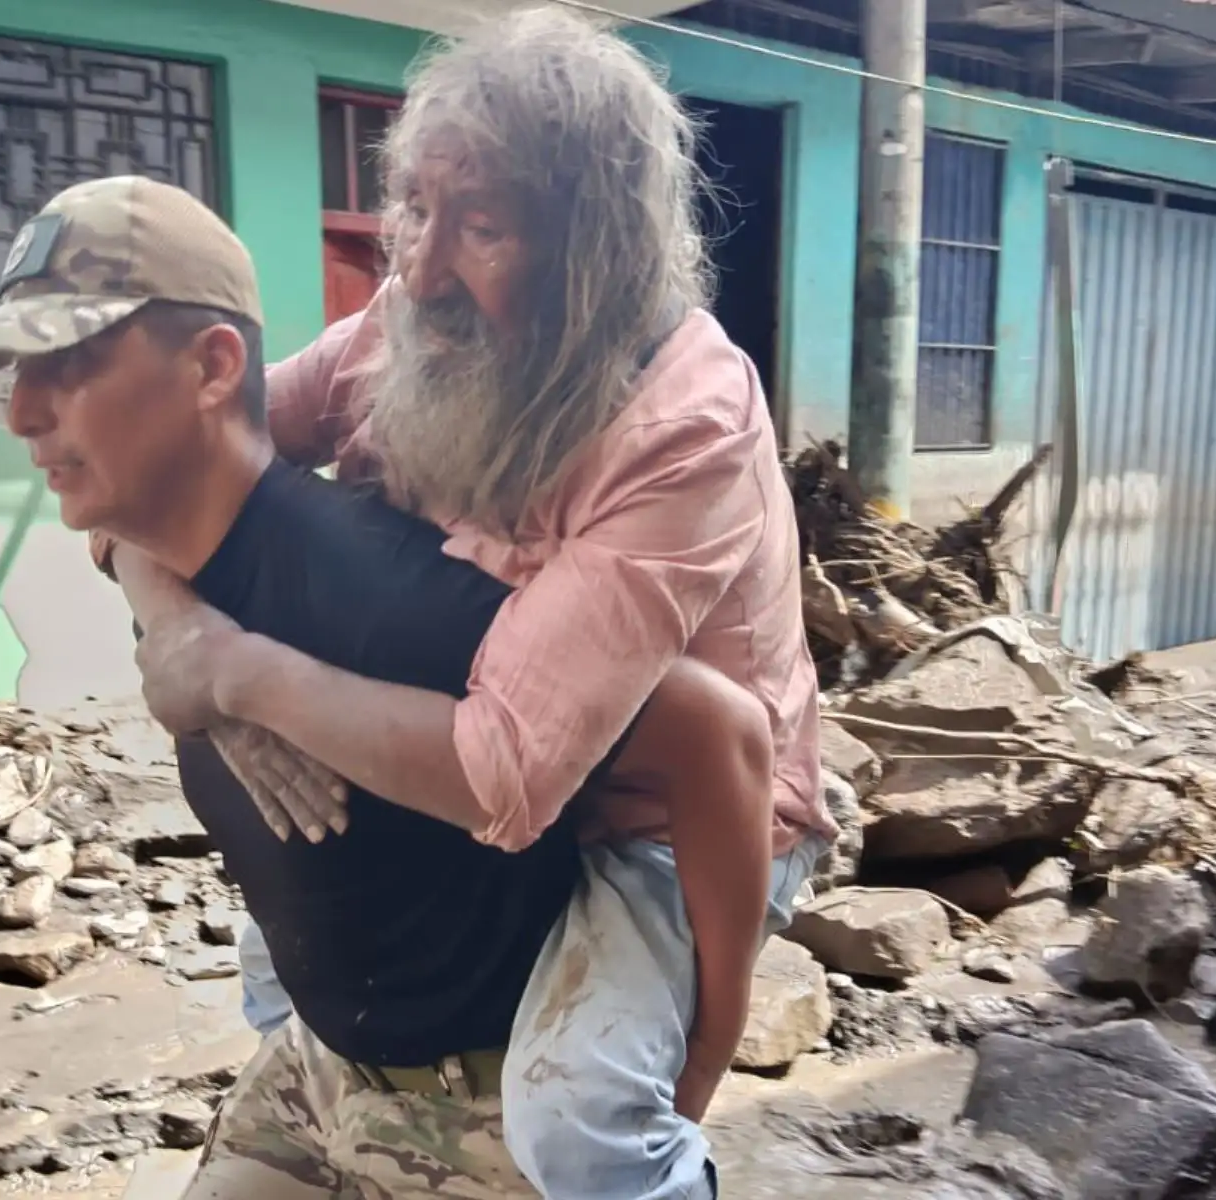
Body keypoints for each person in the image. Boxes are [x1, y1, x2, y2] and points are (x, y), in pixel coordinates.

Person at [0, 175, 785, 1197]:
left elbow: (718, 735)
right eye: (22, 369)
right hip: (323, 1073)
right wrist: (186, 637)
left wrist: (705, 1046)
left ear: (211, 367)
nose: (22, 411)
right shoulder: (162, 549)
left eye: (70, 362)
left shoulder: (387, 594)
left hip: (481, 1111)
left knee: (593, 1134)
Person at [116, 9, 840, 1198]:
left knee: (582, 1120)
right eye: (413, 209)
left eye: (484, 227)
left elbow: (513, 774)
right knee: (286, 959)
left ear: (589, 255)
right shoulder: (406, 334)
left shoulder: (681, 423)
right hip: (490, 754)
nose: (418, 266)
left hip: (669, 815)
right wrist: (178, 625)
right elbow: (167, 472)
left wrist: (238, 674)